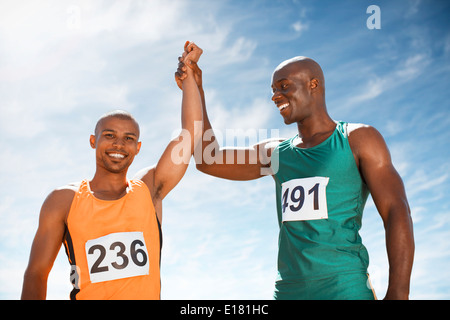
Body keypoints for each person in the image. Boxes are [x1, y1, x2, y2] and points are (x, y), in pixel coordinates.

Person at [175, 44, 414, 300]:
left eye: (284, 86)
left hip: (344, 288)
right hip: (288, 292)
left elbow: (396, 212)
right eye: (273, 90)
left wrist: (398, 294)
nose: (275, 96)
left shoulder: (358, 139)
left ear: (314, 84)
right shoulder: (277, 154)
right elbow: (207, 159)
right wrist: (196, 88)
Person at [21, 42, 203, 300]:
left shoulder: (149, 190)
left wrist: (189, 79)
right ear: (93, 141)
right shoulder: (63, 200)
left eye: (129, 138)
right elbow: (37, 274)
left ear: (138, 147)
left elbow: (191, 135)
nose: (119, 144)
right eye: (109, 135)